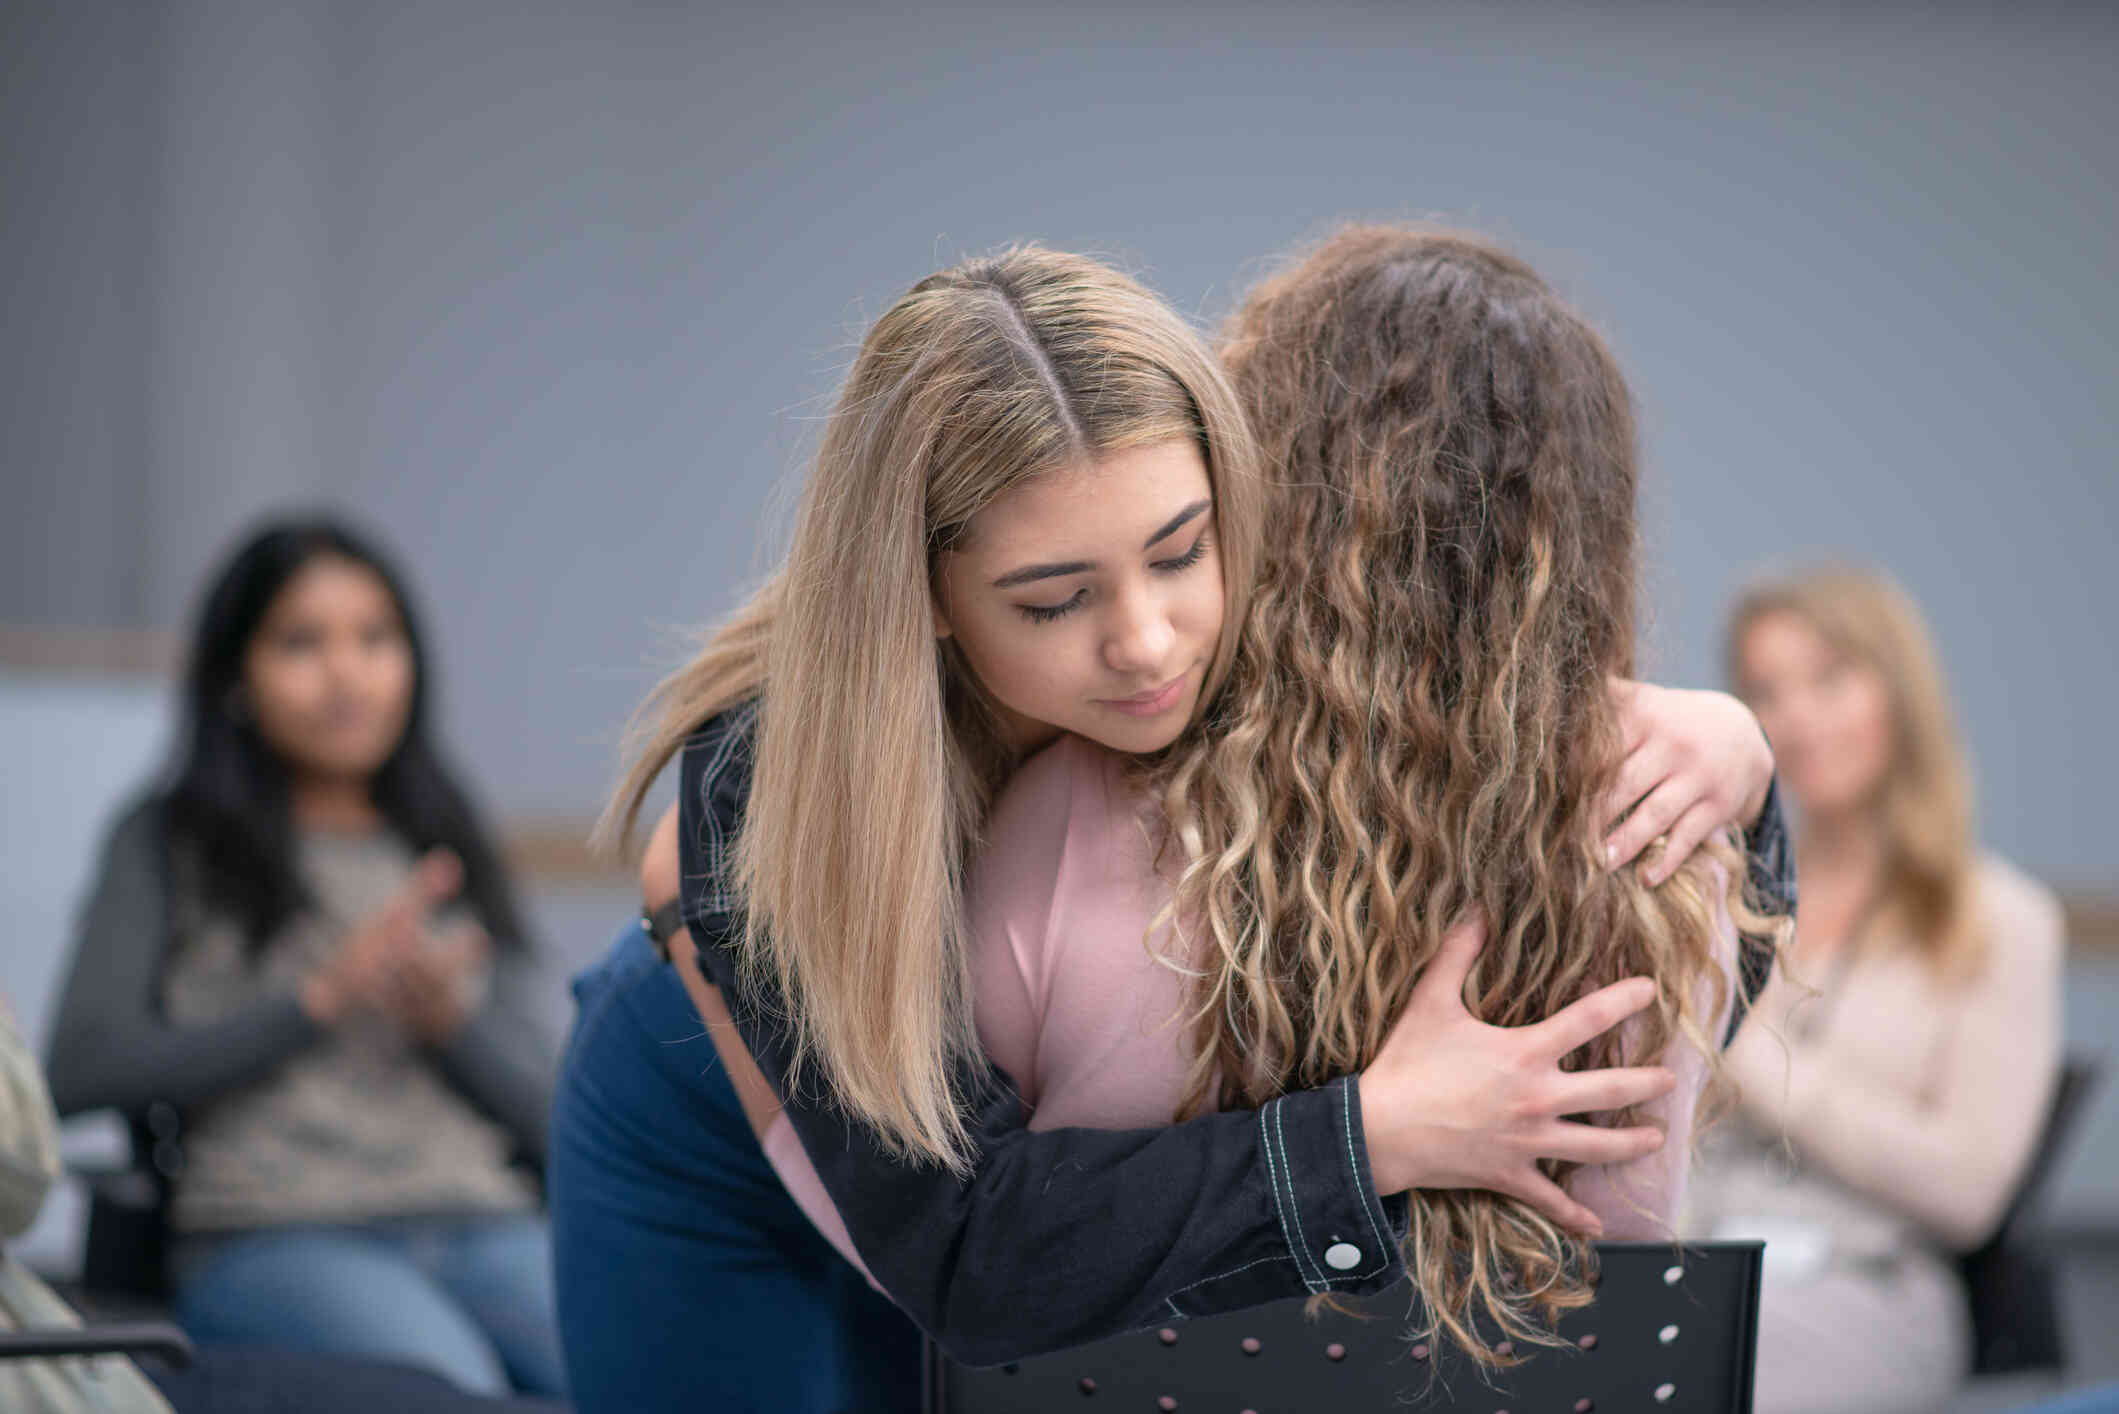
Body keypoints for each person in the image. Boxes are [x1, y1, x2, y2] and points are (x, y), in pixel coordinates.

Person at [549, 245, 1789, 1410]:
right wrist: (1367, 1135)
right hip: (721, 1119)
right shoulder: (769, 786)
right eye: (1051, 600)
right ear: (922, 598)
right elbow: (968, 1253)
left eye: (1182, 551)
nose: (1144, 642)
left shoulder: (1267, 594)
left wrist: (1741, 764)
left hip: (996, 1178)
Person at [46, 519, 565, 1398]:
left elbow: (560, 1117)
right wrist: (315, 1001)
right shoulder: (171, 840)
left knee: (645, 1369)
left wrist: (451, 1025)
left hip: (484, 1219)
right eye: (301, 643)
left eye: (375, 639)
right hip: (276, 1233)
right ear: (236, 678)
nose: (346, 674)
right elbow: (77, 1070)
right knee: (452, 1390)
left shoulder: (442, 838)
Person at [1685, 564, 2065, 1414]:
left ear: (1897, 691)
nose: (1796, 718)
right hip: (1696, 1265)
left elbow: (1968, 1192)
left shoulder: (1997, 920)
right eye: (1765, 691)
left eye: (1828, 679)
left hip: (1864, 1289)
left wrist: (1749, 1060)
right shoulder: (1723, 897)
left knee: (1712, 1385)